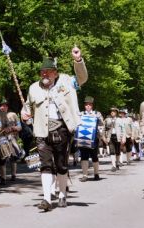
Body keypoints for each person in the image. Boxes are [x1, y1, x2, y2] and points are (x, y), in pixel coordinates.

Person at [21, 45, 88, 211]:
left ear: (55, 72)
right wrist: (24, 113)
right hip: (41, 132)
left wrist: (78, 60)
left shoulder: (67, 81)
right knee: (45, 165)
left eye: (48, 71)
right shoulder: (33, 88)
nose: (45, 74)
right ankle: (47, 199)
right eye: (42, 71)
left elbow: (82, 77)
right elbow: (28, 107)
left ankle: (62, 194)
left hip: (62, 129)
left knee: (61, 165)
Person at [77, 96, 104, 182]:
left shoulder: (97, 114)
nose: (88, 106)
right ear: (84, 105)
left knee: (94, 157)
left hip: (93, 138)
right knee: (84, 157)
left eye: (90, 105)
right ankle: (85, 175)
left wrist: (97, 118)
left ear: (92, 105)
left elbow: (101, 123)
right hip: (83, 138)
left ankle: (96, 173)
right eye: (86, 105)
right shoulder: (80, 114)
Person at [0, 98, 22, 181]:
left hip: (12, 138)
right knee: (2, 158)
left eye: (4, 105)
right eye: (1, 106)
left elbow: (20, 127)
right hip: (1, 139)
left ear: (7, 107)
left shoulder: (13, 115)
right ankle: (3, 178)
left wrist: (13, 127)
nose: (3, 107)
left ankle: (13, 175)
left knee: (14, 157)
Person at [103, 107, 125, 172]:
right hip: (110, 137)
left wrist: (123, 138)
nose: (112, 112)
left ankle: (117, 162)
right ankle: (113, 165)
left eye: (114, 111)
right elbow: (104, 129)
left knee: (118, 151)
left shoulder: (120, 120)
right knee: (112, 151)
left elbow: (123, 129)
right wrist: (104, 137)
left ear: (116, 113)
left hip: (118, 137)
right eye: (111, 111)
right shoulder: (107, 120)